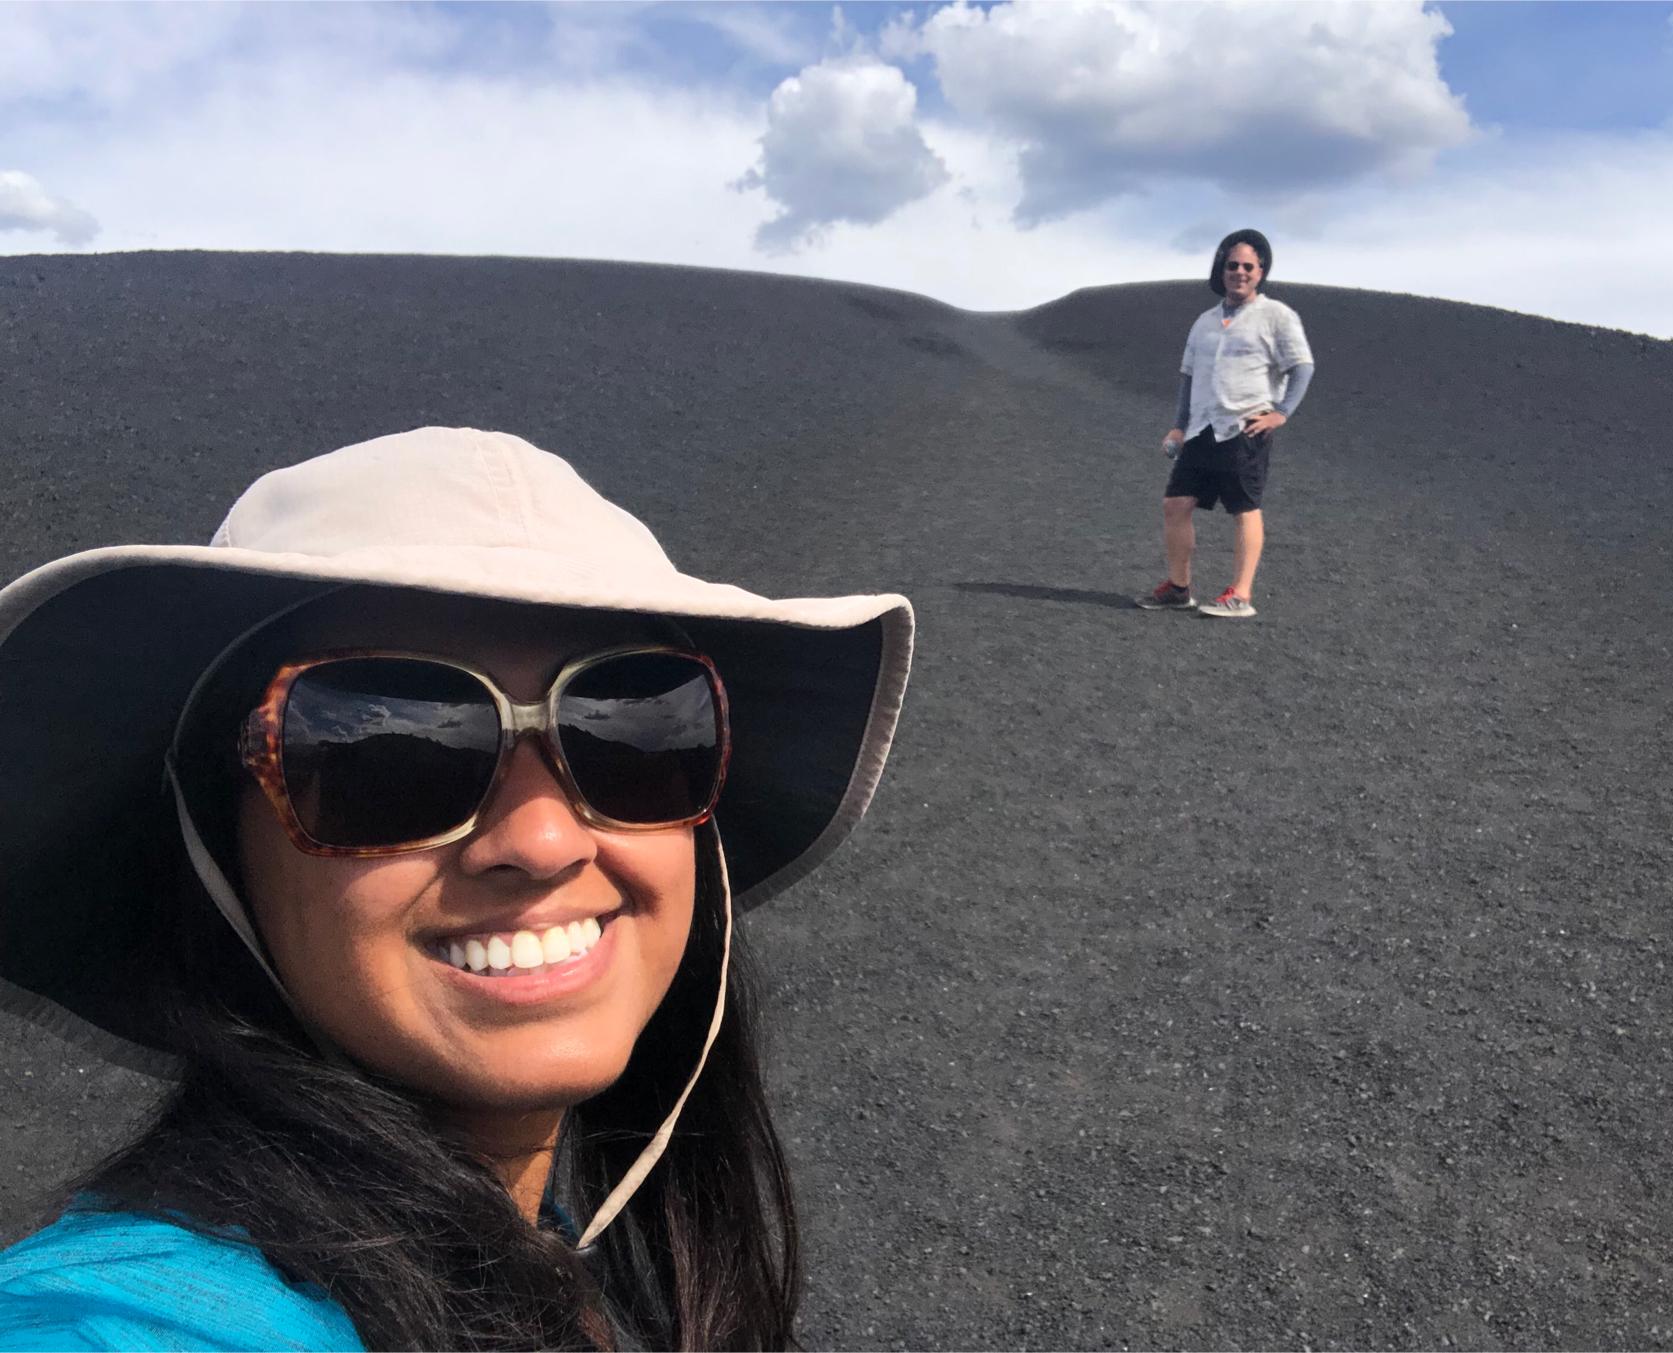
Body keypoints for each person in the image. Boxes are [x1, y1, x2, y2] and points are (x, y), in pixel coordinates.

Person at [0, 427, 914, 1350]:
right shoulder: (118, 1325)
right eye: (385, 759)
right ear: (215, 842)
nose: (545, 838)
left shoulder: (548, 1251)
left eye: (633, 733)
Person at [1136, 228, 1315, 618]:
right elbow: (1187, 375)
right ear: (1222, 268)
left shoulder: (1277, 316)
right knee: (1175, 503)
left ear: (1261, 271)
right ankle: (1179, 589)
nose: (1239, 272)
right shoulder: (1204, 322)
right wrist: (1179, 425)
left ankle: (1241, 595)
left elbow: (1303, 366)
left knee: (1244, 507)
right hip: (1202, 427)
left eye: (1248, 266)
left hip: (1245, 427)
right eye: (1232, 265)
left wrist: (1281, 412)